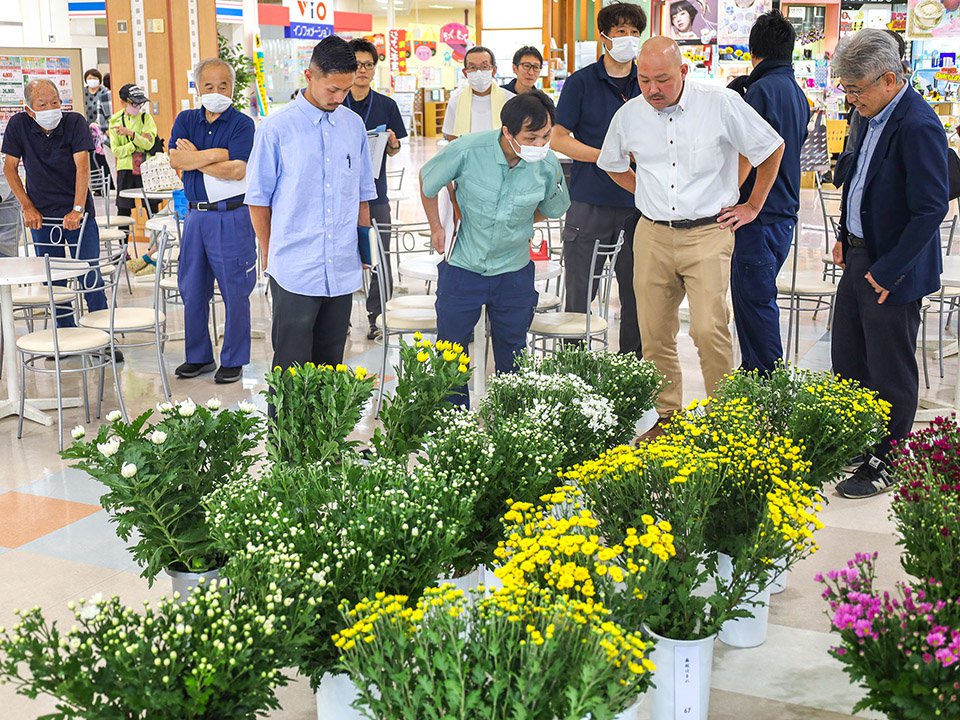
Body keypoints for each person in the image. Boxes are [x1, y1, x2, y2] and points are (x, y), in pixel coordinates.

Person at [598, 37, 784, 434]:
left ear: (683, 71)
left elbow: (770, 148)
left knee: (708, 328)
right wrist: (646, 192)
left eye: (662, 79)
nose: (653, 89)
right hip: (651, 235)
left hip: (708, 233)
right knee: (654, 332)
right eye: (644, 80)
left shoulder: (720, 104)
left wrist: (751, 205)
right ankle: (666, 417)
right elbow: (611, 163)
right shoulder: (630, 115)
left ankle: (725, 419)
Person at [830, 30, 948, 499]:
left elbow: (930, 209)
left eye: (856, 88)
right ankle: (862, 442)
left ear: (890, 78)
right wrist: (844, 235)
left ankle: (889, 459)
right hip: (860, 255)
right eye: (846, 87)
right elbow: (856, 178)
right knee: (849, 358)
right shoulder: (866, 114)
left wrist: (889, 270)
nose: (850, 96)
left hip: (892, 267)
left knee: (890, 369)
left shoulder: (918, 125)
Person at [421, 91, 570, 407]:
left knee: (513, 348)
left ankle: (511, 418)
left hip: (514, 270)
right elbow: (428, 181)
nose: (540, 144)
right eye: (531, 137)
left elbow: (552, 207)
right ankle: (454, 422)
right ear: (507, 131)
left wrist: (518, 220)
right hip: (463, 266)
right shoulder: (468, 150)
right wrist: (437, 226)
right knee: (451, 351)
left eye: (546, 136)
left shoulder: (547, 164)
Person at [246, 36, 376, 371]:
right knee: (290, 366)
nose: (339, 97)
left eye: (345, 90)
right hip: (294, 266)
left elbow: (362, 194)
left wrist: (364, 251)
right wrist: (268, 250)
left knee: (330, 363)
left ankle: (326, 427)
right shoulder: (277, 128)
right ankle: (286, 427)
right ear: (309, 76)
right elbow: (258, 199)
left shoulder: (353, 125)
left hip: (342, 264)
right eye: (332, 89)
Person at [552, 1, 646, 358]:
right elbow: (559, 138)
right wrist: (607, 157)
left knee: (636, 293)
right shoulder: (582, 82)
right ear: (604, 36)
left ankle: (630, 370)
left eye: (635, 33)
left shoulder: (647, 81)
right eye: (621, 32)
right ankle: (573, 368)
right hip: (588, 203)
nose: (629, 39)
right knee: (579, 293)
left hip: (638, 205)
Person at [167, 58, 257, 385]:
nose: (217, 92)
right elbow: (176, 158)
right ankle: (199, 356)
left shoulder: (243, 124)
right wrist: (217, 154)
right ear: (197, 88)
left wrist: (196, 159)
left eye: (223, 86)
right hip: (195, 216)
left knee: (235, 291)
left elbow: (238, 170)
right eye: (209, 86)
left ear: (232, 88)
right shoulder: (186, 119)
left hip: (231, 216)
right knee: (192, 289)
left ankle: (233, 359)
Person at [730, 11, 809, 375]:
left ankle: (767, 388)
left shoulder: (761, 91)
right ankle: (757, 378)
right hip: (783, 214)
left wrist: (743, 200)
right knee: (756, 299)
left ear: (754, 50)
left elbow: (752, 153)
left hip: (759, 217)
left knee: (755, 302)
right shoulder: (796, 93)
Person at [1, 79, 111, 335]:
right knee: (54, 277)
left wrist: (78, 209)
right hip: (42, 215)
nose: (51, 108)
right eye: (42, 104)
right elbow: (10, 168)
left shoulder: (74, 122)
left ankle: (102, 334)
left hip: (78, 211)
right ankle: (66, 333)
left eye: (55, 102)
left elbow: (82, 166)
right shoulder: (19, 125)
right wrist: (27, 206)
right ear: (30, 109)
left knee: (89, 272)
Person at [345, 38, 408, 341]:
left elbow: (394, 151)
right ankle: (339, 315)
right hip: (340, 196)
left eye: (368, 65)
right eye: (357, 64)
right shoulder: (335, 101)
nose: (362, 70)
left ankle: (377, 316)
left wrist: (393, 144)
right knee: (342, 255)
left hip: (375, 193)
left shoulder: (386, 105)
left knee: (378, 256)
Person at [108, 84, 160, 221]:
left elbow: (149, 143)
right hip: (125, 169)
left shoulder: (146, 118)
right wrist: (135, 142)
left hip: (146, 168)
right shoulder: (115, 120)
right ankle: (123, 242)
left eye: (140, 104)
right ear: (123, 102)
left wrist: (130, 134)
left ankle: (159, 240)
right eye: (133, 103)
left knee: (152, 207)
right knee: (123, 209)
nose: (137, 107)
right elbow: (117, 151)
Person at [442, 46, 514, 141]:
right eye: (472, 67)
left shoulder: (510, 100)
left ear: (494, 70)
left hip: (499, 154)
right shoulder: (456, 100)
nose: (479, 72)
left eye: (484, 67)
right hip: (467, 154)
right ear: (465, 72)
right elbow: (451, 135)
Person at [83, 68, 113, 187]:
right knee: (90, 157)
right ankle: (95, 185)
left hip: (100, 128)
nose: (92, 80)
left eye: (94, 78)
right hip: (86, 129)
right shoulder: (83, 91)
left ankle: (108, 184)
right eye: (89, 78)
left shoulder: (104, 92)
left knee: (102, 156)